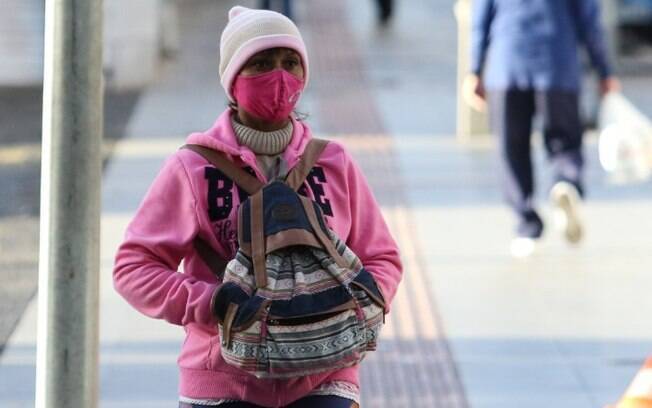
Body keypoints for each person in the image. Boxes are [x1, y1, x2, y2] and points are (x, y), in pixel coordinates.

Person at [113, 6, 402, 408]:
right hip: (223, 380)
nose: (279, 76)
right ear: (232, 80)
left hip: (325, 376)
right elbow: (133, 267)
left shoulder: (333, 162)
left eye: (290, 63)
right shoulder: (193, 167)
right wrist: (212, 303)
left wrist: (367, 295)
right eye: (261, 64)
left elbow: (383, 256)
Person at [463, 0, 621, 256]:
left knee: (511, 149)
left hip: (507, 64)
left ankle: (527, 224)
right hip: (558, 66)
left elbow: (480, 18)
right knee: (565, 140)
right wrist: (604, 70)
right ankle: (565, 182)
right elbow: (590, 20)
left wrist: (475, 69)